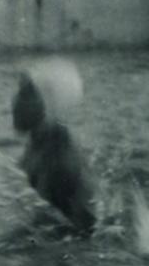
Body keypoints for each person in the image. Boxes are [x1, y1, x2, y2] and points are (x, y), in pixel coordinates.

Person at [12, 60, 97, 234]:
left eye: (26, 94)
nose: (16, 101)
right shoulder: (40, 140)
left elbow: (82, 229)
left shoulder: (59, 157)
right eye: (20, 92)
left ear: (48, 105)